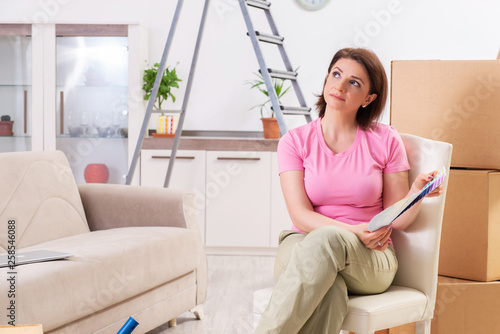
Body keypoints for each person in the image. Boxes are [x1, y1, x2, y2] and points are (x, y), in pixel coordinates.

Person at [255, 48, 444, 334]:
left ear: (369, 98)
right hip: (301, 244)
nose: (340, 86)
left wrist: (414, 194)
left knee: (328, 241)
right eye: (336, 74)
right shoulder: (294, 141)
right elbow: (300, 214)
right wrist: (352, 230)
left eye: (354, 82)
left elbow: (399, 220)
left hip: (370, 256)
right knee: (329, 289)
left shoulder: (385, 139)